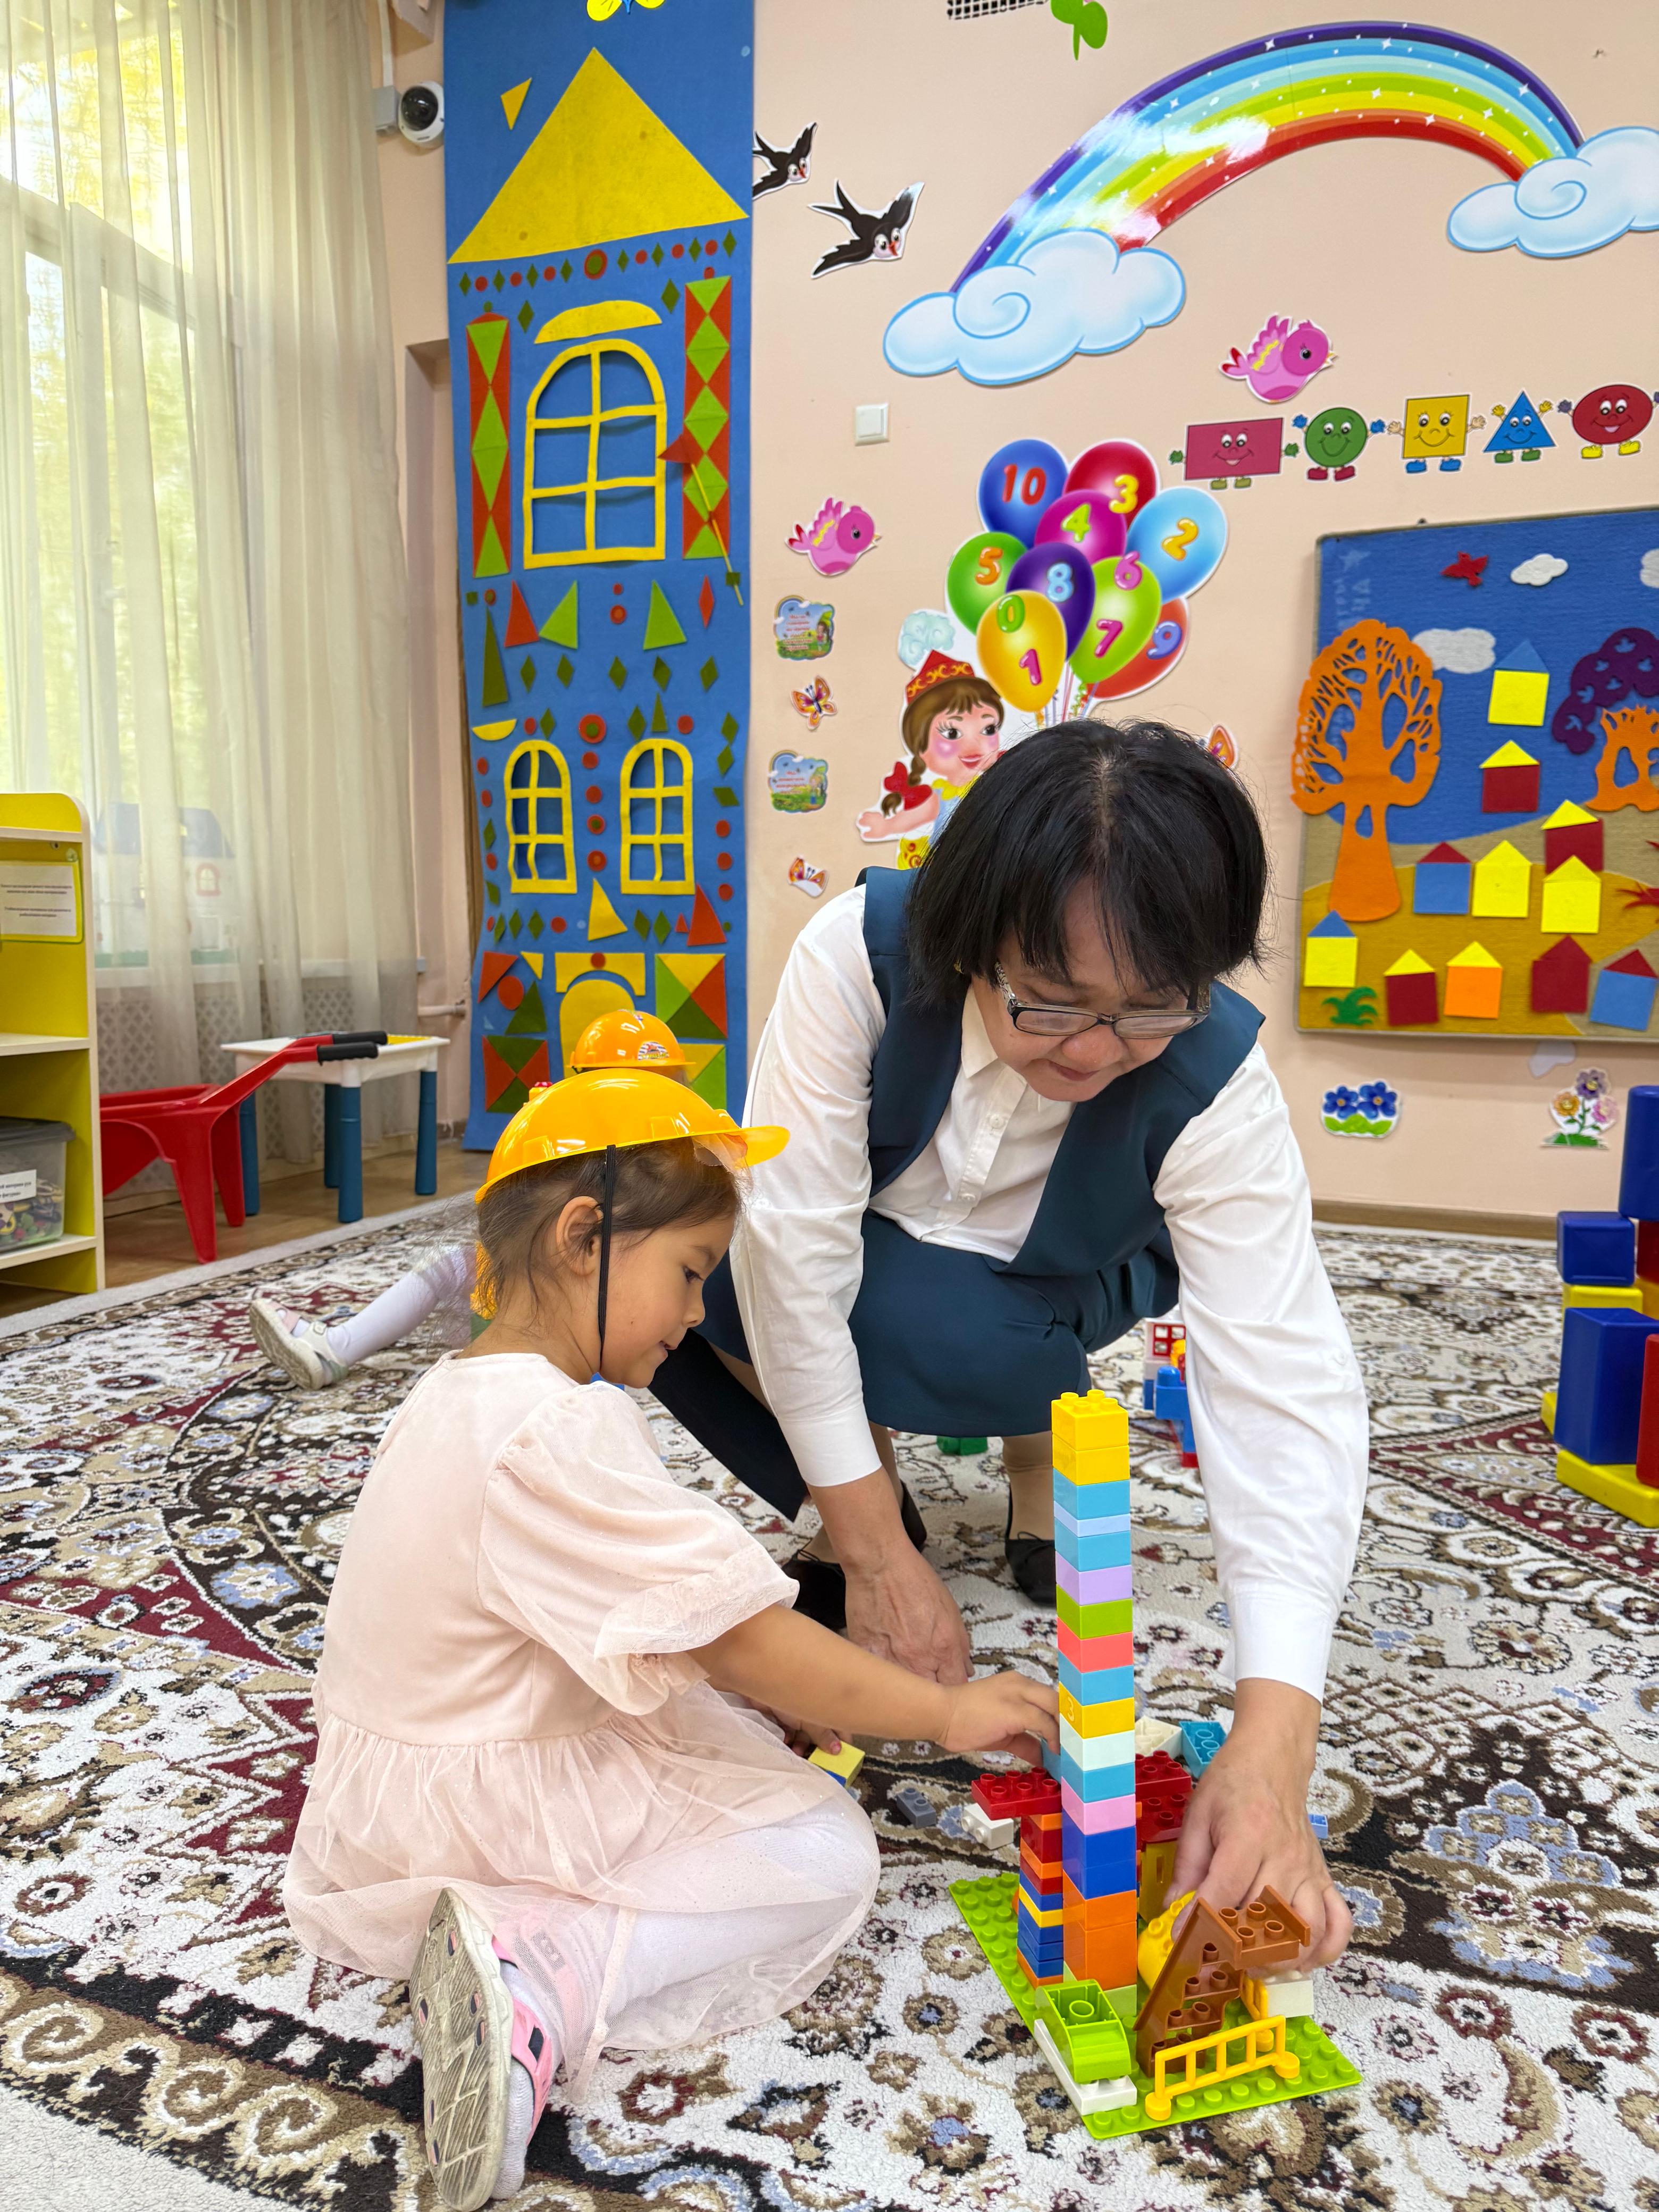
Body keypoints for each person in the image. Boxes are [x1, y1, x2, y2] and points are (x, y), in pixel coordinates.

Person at [650, 718, 1367, 1967]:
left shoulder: (1215, 1079)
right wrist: (875, 1553)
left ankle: (1028, 1447)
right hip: (882, 1251)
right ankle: (873, 1499)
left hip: (1055, 1279)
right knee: (667, 1278)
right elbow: (792, 1255)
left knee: (938, 1321)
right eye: (1049, 1000)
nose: (1091, 1050)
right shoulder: (860, 956)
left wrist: (1272, 1744)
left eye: (1147, 1009)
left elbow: (1284, 1384)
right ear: (970, 936)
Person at [283, 1068, 1057, 2211]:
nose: (698, 1315)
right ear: (582, 1239)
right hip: (472, 1797)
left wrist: (759, 1689)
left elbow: (618, 1617)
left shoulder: (457, 1389)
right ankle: (547, 1968)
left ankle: (530, 1940)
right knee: (822, 1851)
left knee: (723, 1721)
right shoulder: (555, 1424)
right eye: (690, 1273)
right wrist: (945, 1712)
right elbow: (739, 1637)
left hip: (386, 1789)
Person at [248, 1009, 689, 1389]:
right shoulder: (580, 1134)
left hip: (575, 1315)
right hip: (538, 1298)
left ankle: (339, 1348)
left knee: (466, 1275)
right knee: (454, 1265)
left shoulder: (672, 1157)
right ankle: (336, 1348)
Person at [854, 651, 1004, 859]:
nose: (973, 744)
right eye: (952, 733)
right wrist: (886, 826)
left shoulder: (996, 786)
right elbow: (916, 816)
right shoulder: (943, 796)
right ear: (920, 746)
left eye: (988, 729)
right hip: (949, 866)